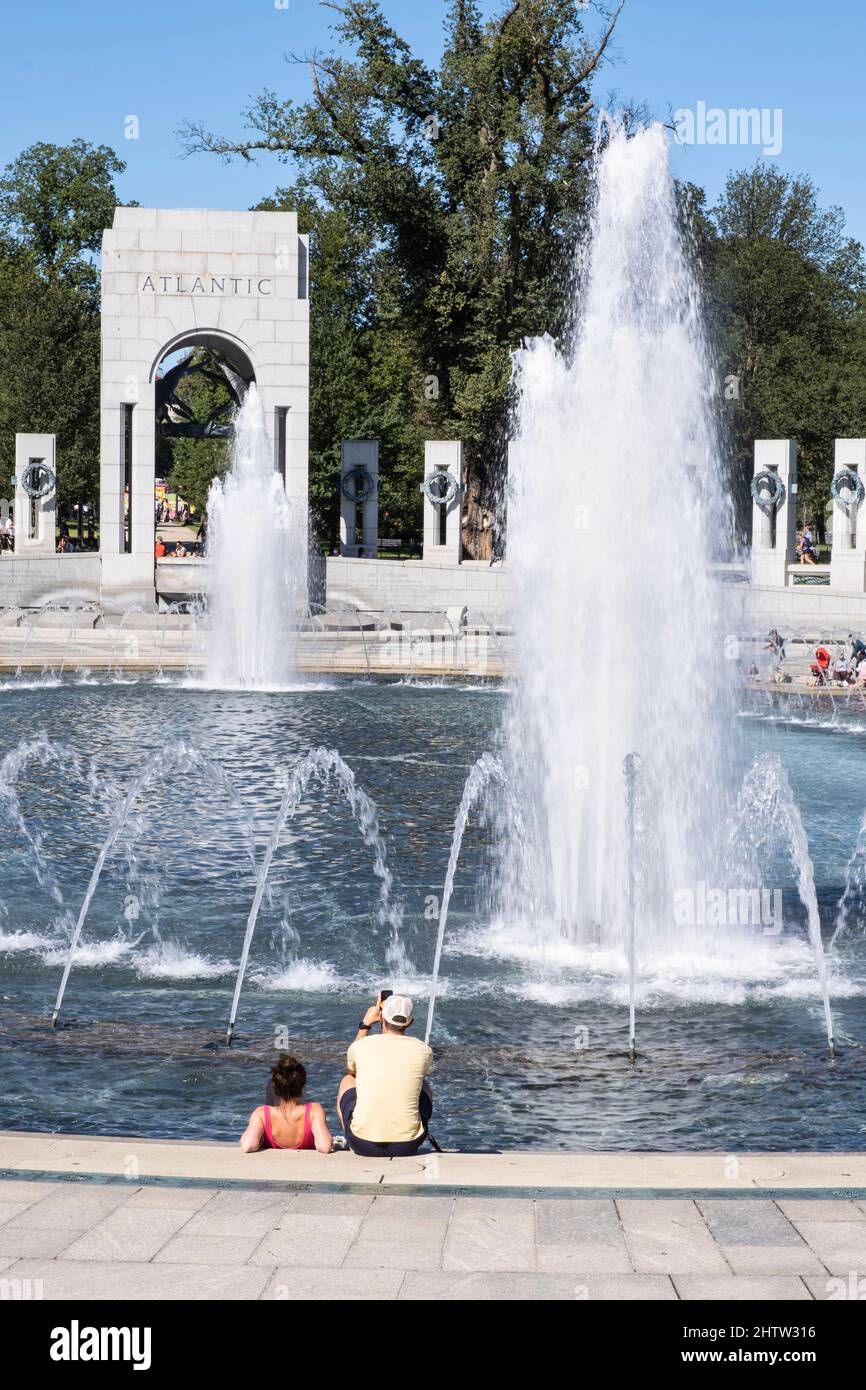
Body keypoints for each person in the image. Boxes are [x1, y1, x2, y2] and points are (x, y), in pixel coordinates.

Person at [337, 993, 433, 1157]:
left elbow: (351, 1069)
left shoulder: (361, 1046)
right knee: (424, 1085)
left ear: (380, 1017)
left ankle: (350, 1139)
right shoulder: (423, 1050)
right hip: (408, 1145)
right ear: (410, 1023)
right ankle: (406, 1128)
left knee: (347, 1080)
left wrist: (365, 1024)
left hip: (362, 1143)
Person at [240, 1053, 332, 1153]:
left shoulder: (262, 1113)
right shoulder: (313, 1111)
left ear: (275, 1089)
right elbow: (324, 1146)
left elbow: (248, 1146)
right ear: (302, 1088)